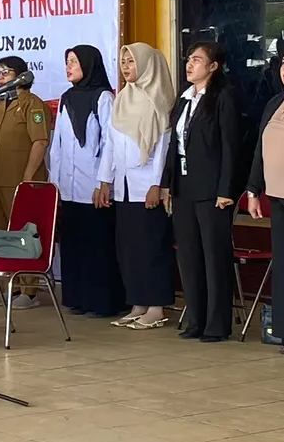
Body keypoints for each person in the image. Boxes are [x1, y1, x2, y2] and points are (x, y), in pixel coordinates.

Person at [162, 41, 241, 342]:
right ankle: (195, 319)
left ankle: (216, 324)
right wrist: (167, 183)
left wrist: (226, 189)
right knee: (189, 255)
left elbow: (230, 147)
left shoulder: (222, 97)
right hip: (184, 187)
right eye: (188, 59)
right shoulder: (184, 99)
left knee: (214, 256)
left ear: (213, 66)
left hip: (212, 189)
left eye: (197, 59)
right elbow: (174, 145)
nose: (190, 64)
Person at [94, 43, 176, 329]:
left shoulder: (160, 100)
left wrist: (157, 184)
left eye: (131, 61)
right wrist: (104, 180)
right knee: (128, 248)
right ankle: (138, 302)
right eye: (123, 62)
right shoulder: (122, 99)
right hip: (124, 187)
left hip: (147, 188)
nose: (126, 67)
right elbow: (110, 145)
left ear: (147, 65)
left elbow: (163, 149)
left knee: (151, 247)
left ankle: (156, 306)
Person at [50, 45, 124, 317]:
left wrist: (104, 181)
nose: (68, 67)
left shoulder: (103, 97)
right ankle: (77, 298)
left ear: (88, 64)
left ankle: (102, 302)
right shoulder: (67, 98)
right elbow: (57, 145)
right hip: (69, 187)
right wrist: (54, 183)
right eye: (67, 61)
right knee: (74, 245)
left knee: (97, 246)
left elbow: (110, 143)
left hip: (94, 186)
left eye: (73, 62)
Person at [0, 56, 51, 309]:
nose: (1, 77)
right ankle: (10, 287)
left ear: (21, 76)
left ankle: (29, 291)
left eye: (6, 72)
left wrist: (28, 177)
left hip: (19, 181)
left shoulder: (32, 104)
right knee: (0, 234)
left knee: (23, 234)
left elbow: (40, 142)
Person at [245, 55, 284, 351]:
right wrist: (253, 190)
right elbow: (260, 147)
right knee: (281, 265)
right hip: (277, 195)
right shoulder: (275, 103)